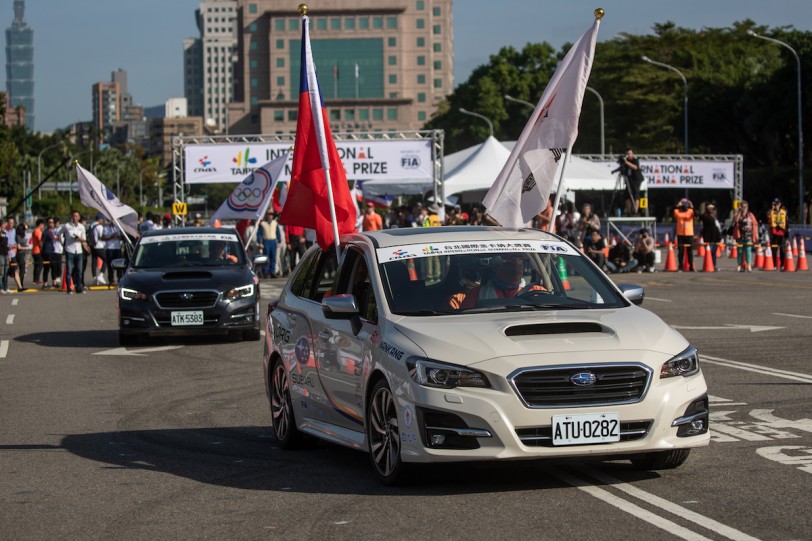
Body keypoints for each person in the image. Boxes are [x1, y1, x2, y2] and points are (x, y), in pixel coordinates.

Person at [448, 253, 545, 310]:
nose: (516, 266)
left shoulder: (537, 292)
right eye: (508, 262)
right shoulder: (476, 295)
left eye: (519, 261)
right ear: (495, 267)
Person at [62, 210, 87, 293]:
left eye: (77, 216)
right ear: (71, 217)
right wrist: (62, 242)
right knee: (69, 271)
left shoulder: (81, 227)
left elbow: (84, 239)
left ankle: (78, 287)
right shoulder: (67, 226)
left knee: (79, 270)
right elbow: (59, 234)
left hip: (79, 250)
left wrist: (79, 239)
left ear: (79, 217)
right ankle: (69, 288)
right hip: (70, 250)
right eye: (74, 216)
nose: (75, 218)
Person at [732, 200, 759, 272]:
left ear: (747, 207)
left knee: (748, 250)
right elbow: (735, 220)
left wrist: (756, 235)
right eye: (742, 207)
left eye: (745, 207)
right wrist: (739, 212)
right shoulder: (738, 214)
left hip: (748, 235)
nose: (744, 208)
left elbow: (755, 224)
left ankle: (749, 265)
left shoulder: (750, 215)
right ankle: (739, 265)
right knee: (740, 251)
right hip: (740, 235)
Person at [673, 198, 695, 271]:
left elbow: (694, 214)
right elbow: (676, 213)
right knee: (681, 251)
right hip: (681, 234)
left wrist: (691, 206)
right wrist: (677, 206)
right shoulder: (677, 211)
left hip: (689, 234)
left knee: (690, 251)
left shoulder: (690, 211)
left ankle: (691, 265)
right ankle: (680, 266)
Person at [620, 148, 644, 215]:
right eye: (627, 154)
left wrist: (627, 162)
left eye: (629, 154)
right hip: (629, 180)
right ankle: (629, 211)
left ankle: (635, 211)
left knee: (635, 194)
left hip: (636, 180)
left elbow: (636, 167)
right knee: (626, 195)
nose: (628, 155)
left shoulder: (635, 160)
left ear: (632, 154)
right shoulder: (626, 161)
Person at [767, 197, 788, 269]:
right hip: (774, 233)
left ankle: (782, 265)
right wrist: (772, 209)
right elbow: (768, 218)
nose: (776, 205)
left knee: (782, 250)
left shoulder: (784, 212)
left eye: (778, 204)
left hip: (781, 232)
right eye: (775, 204)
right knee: (774, 250)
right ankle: (774, 265)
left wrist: (787, 230)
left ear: (780, 204)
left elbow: (786, 221)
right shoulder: (771, 212)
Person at [699, 204, 722, 271]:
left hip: (716, 237)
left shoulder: (715, 218)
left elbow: (717, 228)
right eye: (711, 209)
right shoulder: (706, 217)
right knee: (709, 252)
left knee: (714, 253)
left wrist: (719, 237)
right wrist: (707, 211)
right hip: (709, 237)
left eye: (713, 209)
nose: (713, 210)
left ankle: (713, 266)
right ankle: (708, 265)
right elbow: (701, 217)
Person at [258, 212, 281, 277]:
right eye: (268, 215)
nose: (270, 216)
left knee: (273, 256)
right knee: (266, 257)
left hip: (273, 241)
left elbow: (278, 232)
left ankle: (272, 271)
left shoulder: (275, 223)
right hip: (266, 241)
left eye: (271, 215)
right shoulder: (262, 223)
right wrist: (260, 242)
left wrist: (279, 241)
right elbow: (259, 234)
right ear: (266, 216)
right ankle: (265, 272)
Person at [103, 221, 123, 285]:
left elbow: (122, 237)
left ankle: (120, 278)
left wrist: (118, 236)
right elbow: (103, 237)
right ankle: (111, 280)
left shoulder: (118, 227)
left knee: (119, 265)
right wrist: (111, 236)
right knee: (110, 265)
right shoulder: (106, 228)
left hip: (117, 248)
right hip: (109, 248)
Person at [89, 214, 107, 285]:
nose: (103, 221)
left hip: (92, 245)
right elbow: (101, 236)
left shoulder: (91, 225)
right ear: (100, 219)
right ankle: (101, 275)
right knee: (106, 260)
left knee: (94, 261)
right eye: (102, 219)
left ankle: (94, 277)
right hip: (99, 246)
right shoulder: (99, 226)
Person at [14, 218, 29, 291]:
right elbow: (19, 247)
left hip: (23, 254)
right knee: (22, 270)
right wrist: (25, 248)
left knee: (23, 270)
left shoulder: (23, 235)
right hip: (19, 254)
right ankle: (20, 285)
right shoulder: (18, 236)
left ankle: (21, 284)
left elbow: (26, 227)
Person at [31, 218, 45, 286]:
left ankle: (35, 279)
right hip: (37, 250)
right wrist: (42, 248)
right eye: (43, 225)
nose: (43, 226)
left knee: (37, 265)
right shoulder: (38, 231)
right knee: (39, 265)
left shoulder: (36, 230)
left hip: (35, 250)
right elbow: (40, 241)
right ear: (40, 224)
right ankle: (36, 280)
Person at [0, 220, 9, 293]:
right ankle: (1, 288)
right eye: (4, 224)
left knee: (6, 272)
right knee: (1, 272)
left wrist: (8, 254)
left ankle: (6, 287)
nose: (5, 226)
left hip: (6, 254)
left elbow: (6, 245)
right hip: (1, 254)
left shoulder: (5, 233)